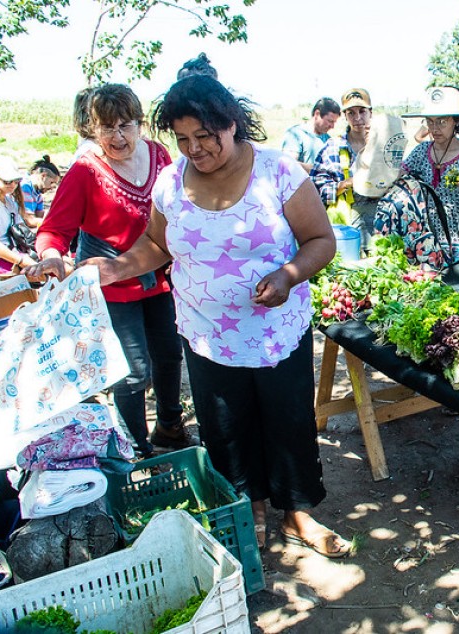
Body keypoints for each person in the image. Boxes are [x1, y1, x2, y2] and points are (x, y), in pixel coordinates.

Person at [81, 75, 348, 557]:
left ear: (231, 124)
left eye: (204, 136)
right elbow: (158, 246)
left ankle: (297, 514)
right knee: (225, 425)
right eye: (183, 139)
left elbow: (321, 241)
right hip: (206, 337)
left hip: (274, 335)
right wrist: (115, 267)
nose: (194, 150)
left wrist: (288, 275)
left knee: (286, 422)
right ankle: (249, 508)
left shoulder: (279, 173)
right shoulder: (172, 181)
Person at [26, 84, 186, 458]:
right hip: (112, 284)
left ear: (140, 124)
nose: (118, 136)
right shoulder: (86, 171)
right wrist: (51, 255)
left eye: (126, 125)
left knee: (168, 355)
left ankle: (170, 427)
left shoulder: (160, 156)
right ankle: (136, 449)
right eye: (107, 127)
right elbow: (54, 229)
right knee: (132, 371)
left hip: (161, 278)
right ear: (92, 129)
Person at [400, 86, 459, 284]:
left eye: (442, 122)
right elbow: (400, 179)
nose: (435, 129)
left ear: (455, 121)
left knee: (455, 298)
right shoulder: (421, 152)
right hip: (427, 244)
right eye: (430, 122)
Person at [310, 88, 379, 252]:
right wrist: (345, 184)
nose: (358, 118)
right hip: (349, 217)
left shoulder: (382, 145)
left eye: (362, 112)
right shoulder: (333, 147)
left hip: (381, 214)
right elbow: (316, 187)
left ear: (371, 113)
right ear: (345, 116)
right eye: (351, 113)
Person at [281, 97, 341, 172]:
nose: (332, 126)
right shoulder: (295, 134)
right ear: (317, 114)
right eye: (330, 121)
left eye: (334, 122)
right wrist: (319, 169)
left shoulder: (328, 139)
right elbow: (288, 164)